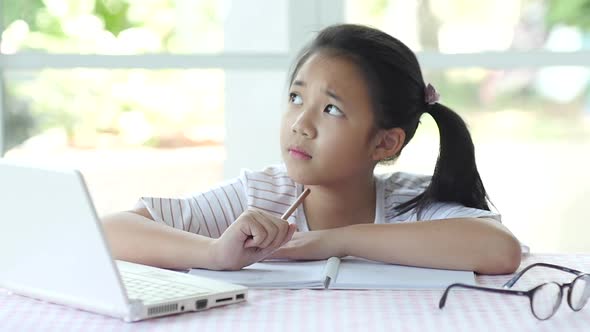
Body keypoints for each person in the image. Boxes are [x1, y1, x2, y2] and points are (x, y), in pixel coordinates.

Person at [102, 24, 521, 275]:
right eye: (296, 98)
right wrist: (213, 254)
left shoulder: (410, 204)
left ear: (385, 141)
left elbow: (499, 250)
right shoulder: (260, 196)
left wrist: (334, 241)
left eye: (332, 109)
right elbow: (109, 232)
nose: (301, 124)